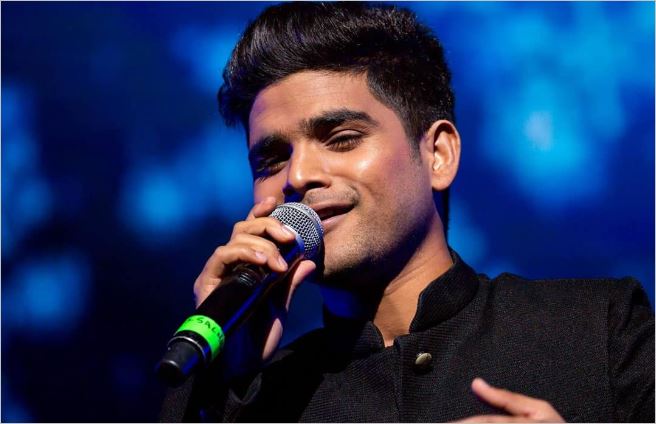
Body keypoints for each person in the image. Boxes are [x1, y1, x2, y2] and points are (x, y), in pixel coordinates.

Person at [160, 2, 654, 422]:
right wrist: (224, 379)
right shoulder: (254, 398)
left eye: (341, 138)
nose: (298, 175)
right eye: (271, 159)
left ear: (437, 155)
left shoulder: (599, 328)